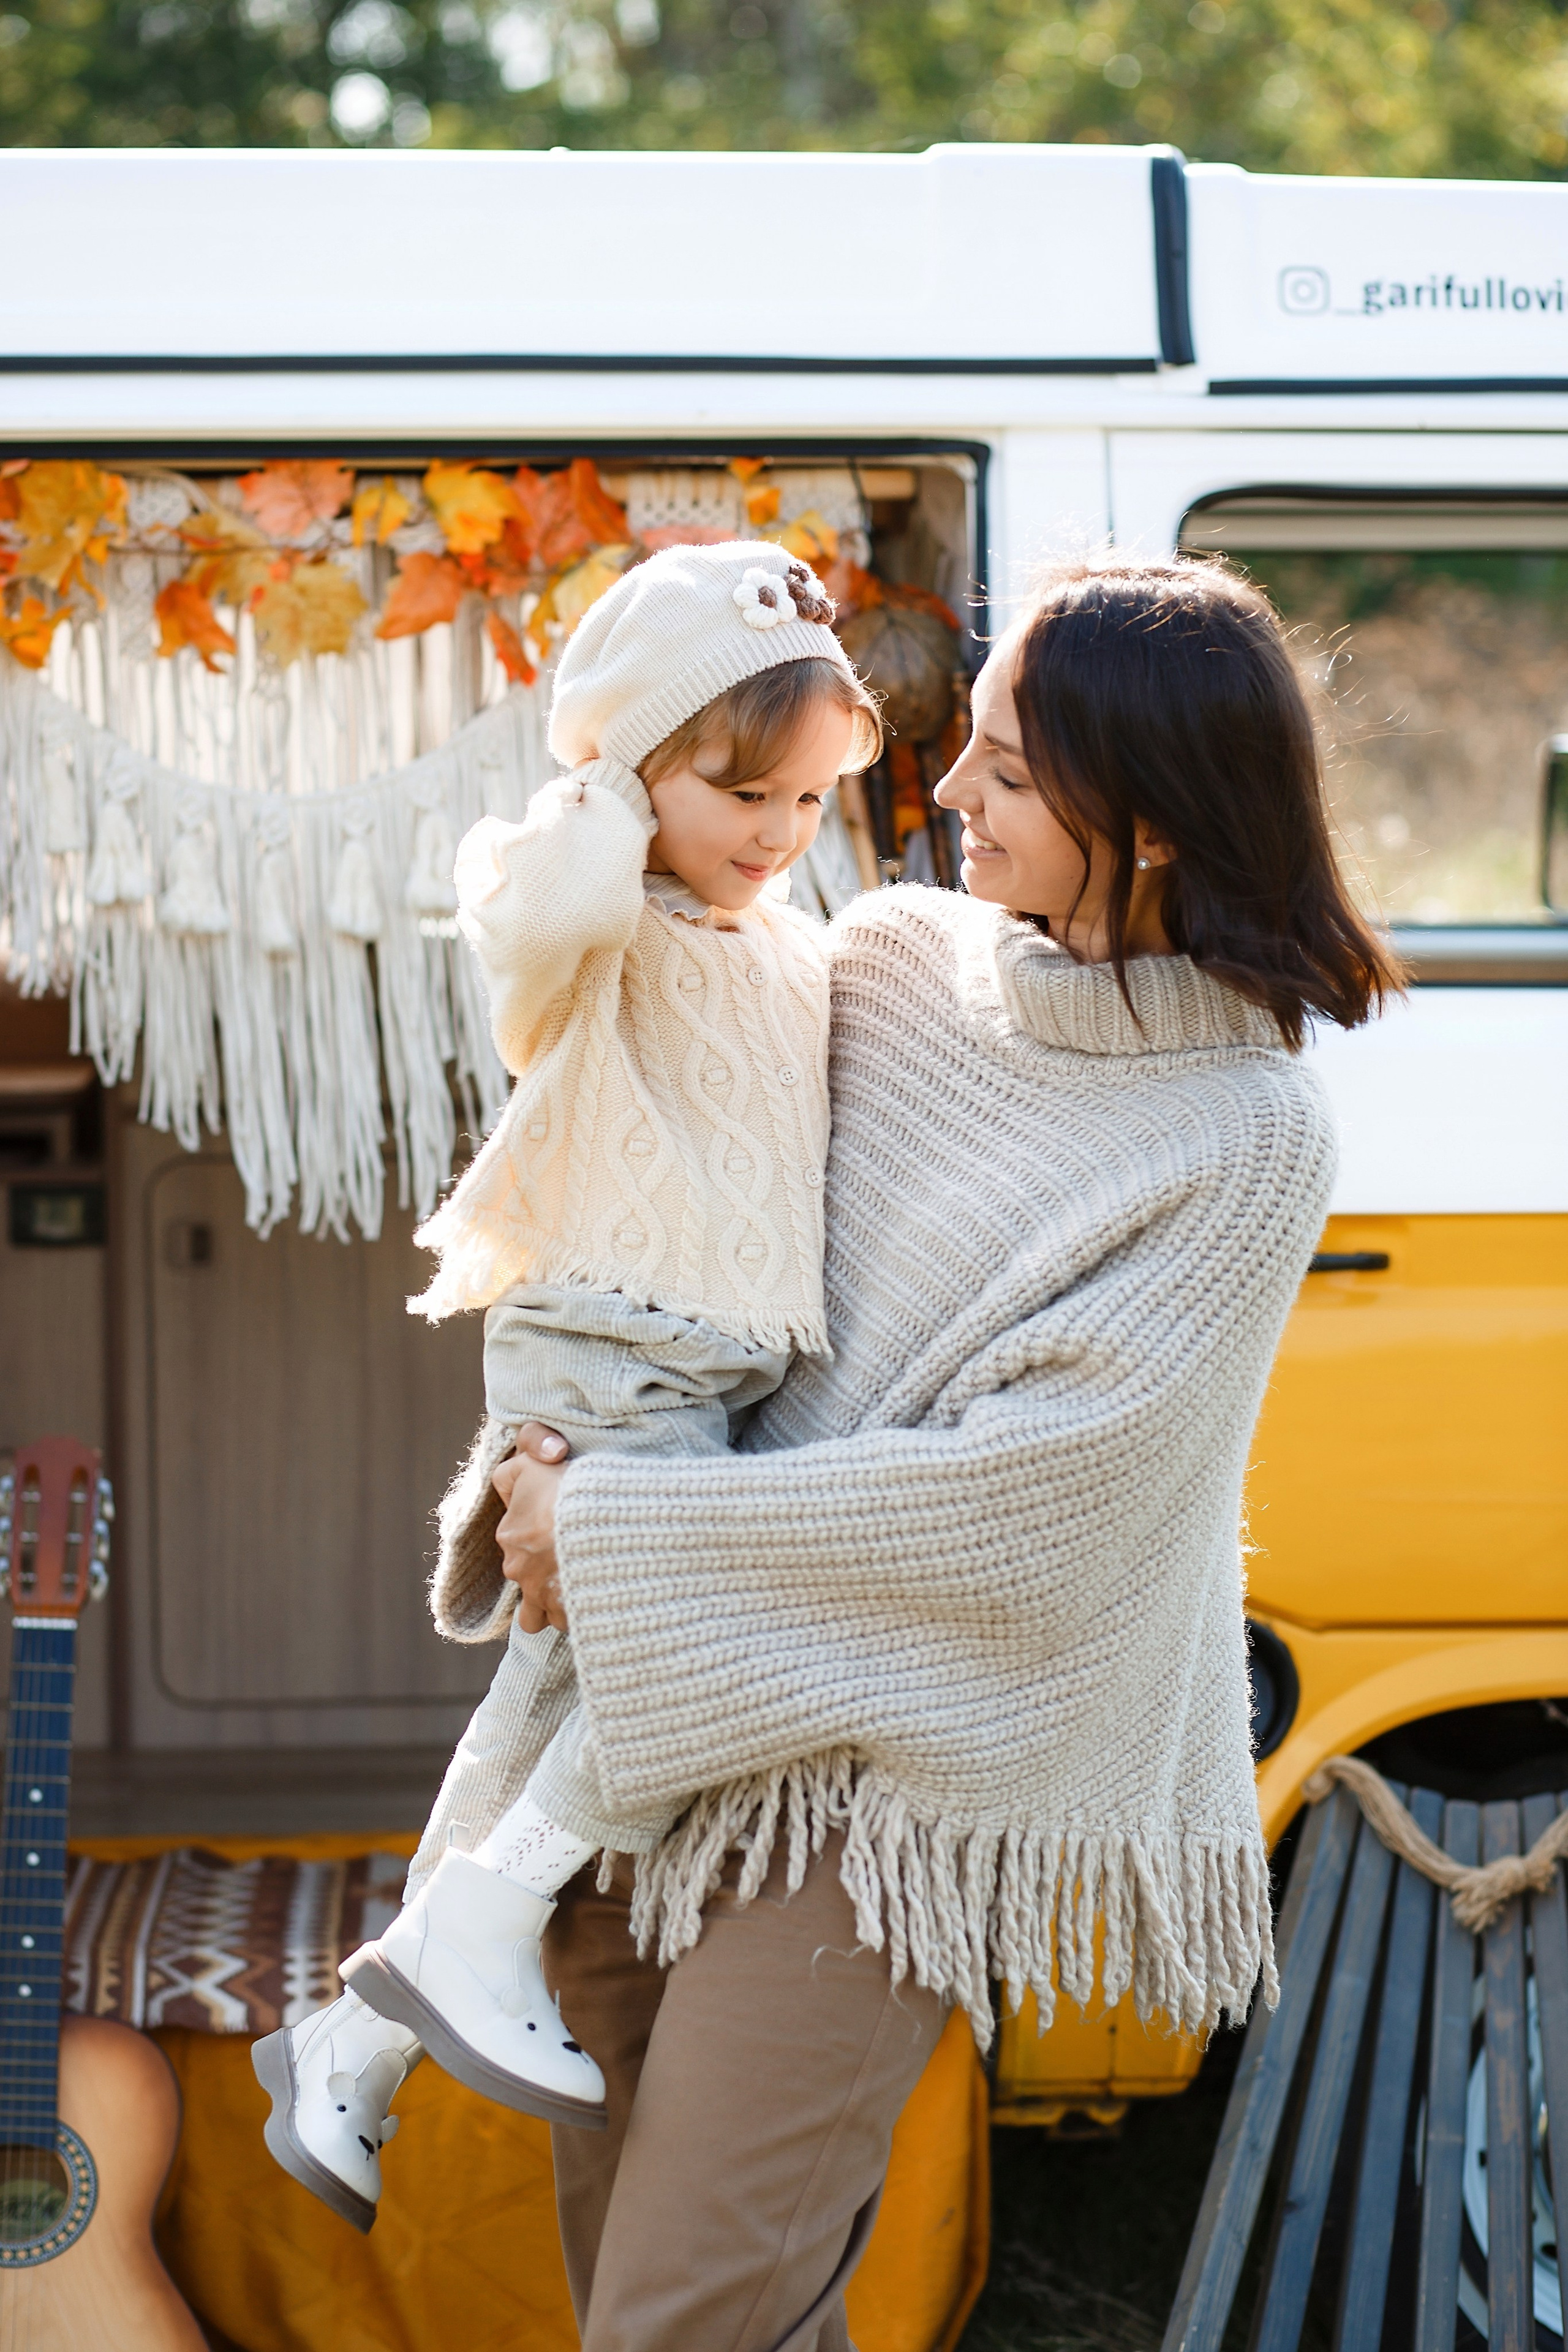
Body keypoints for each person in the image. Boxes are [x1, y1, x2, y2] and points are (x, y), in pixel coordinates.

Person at [300, 548, 1399, 2352]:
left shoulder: (1243, 1136)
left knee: (686, 2321)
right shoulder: (884, 964)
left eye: (1012, 772)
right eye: (963, 745)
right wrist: (540, 1449)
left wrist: (624, 1534)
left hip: (879, 1787)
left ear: (1162, 822)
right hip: (652, 1739)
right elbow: (654, 1214)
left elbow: (1033, 1511)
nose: (944, 793)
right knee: (662, 2312)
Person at [252, 540, 880, 2231]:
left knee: (549, 1699)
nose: (773, 833)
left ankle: (350, 2050)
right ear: (634, 766)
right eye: (739, 789)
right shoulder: (580, 905)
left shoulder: (779, 926)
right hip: (611, 1345)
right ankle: (479, 1923)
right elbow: (545, 922)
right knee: (698, 1654)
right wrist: (604, 785)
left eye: (811, 800)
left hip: (704, 1366)